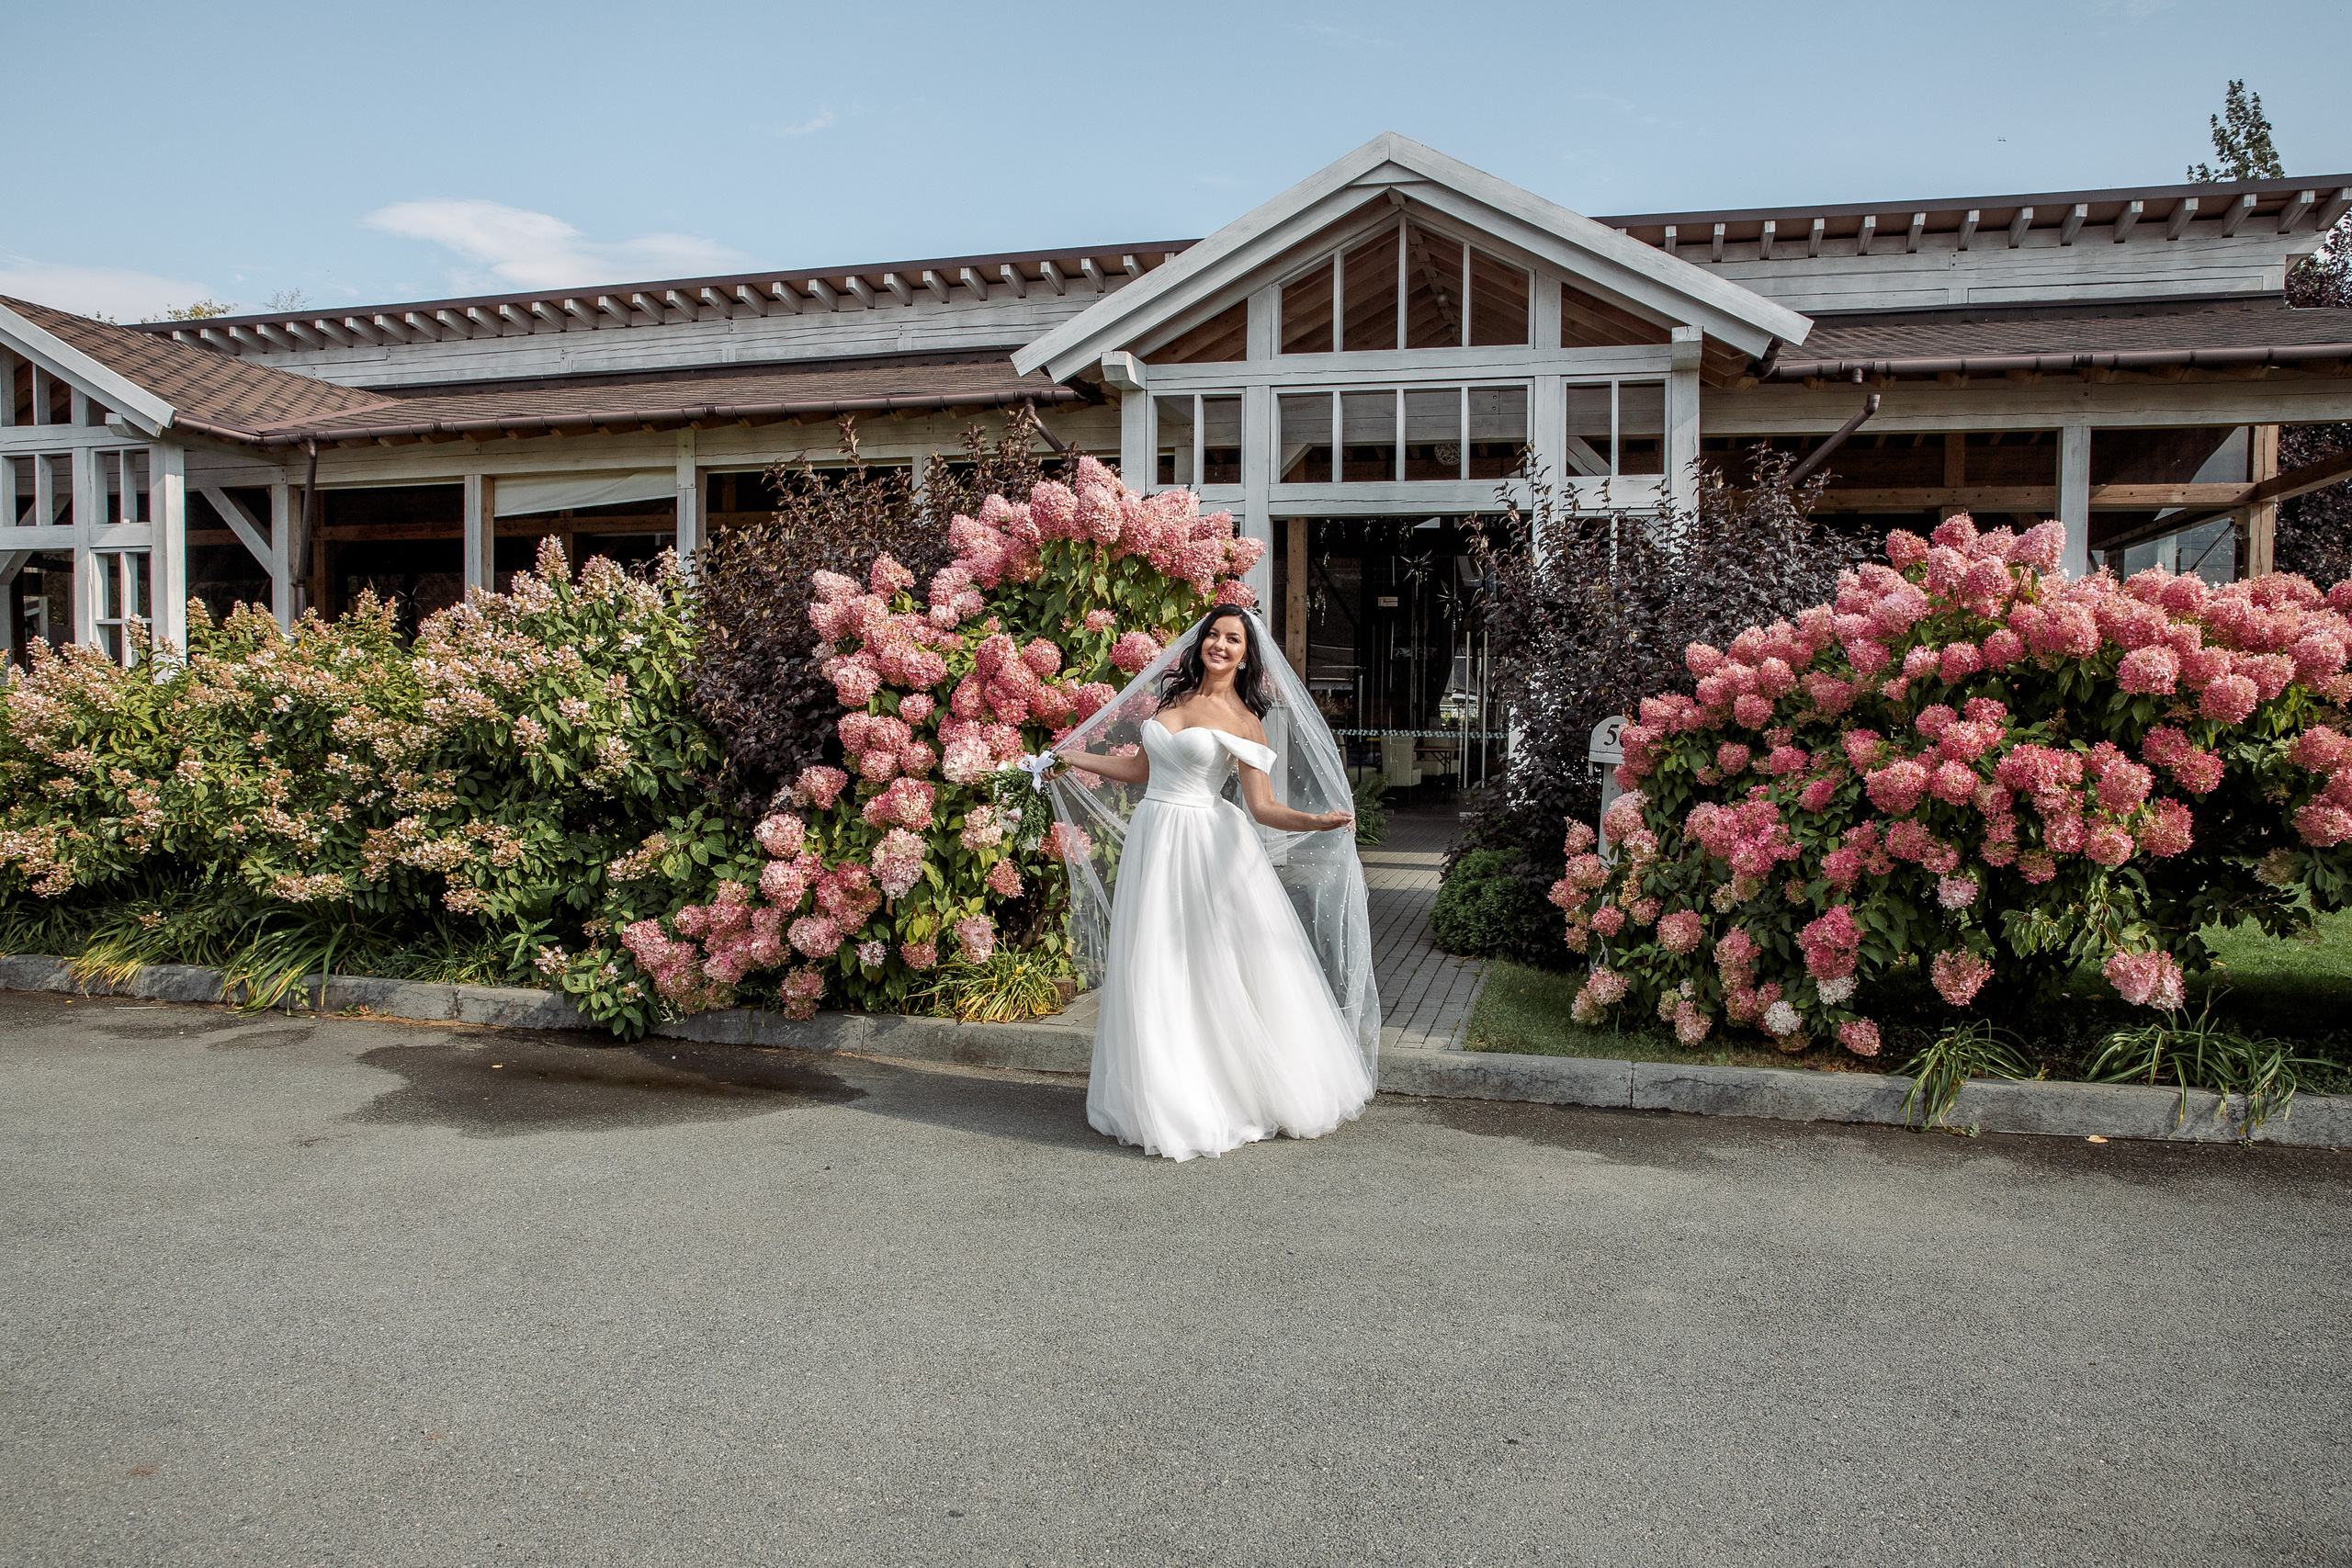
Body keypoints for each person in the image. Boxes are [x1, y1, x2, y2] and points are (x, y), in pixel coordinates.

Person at [1050, 606, 1377, 1162]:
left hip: (1203, 846)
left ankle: (1211, 1091)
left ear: (1247, 654)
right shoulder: (1172, 702)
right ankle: (1158, 1090)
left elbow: (1263, 806)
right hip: (1153, 838)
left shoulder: (1245, 721)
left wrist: (1317, 821)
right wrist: (1068, 757)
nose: (1220, 645)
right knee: (1151, 961)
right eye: (1214, 636)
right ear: (1200, 644)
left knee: (1202, 962)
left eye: (1234, 640)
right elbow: (1139, 771)